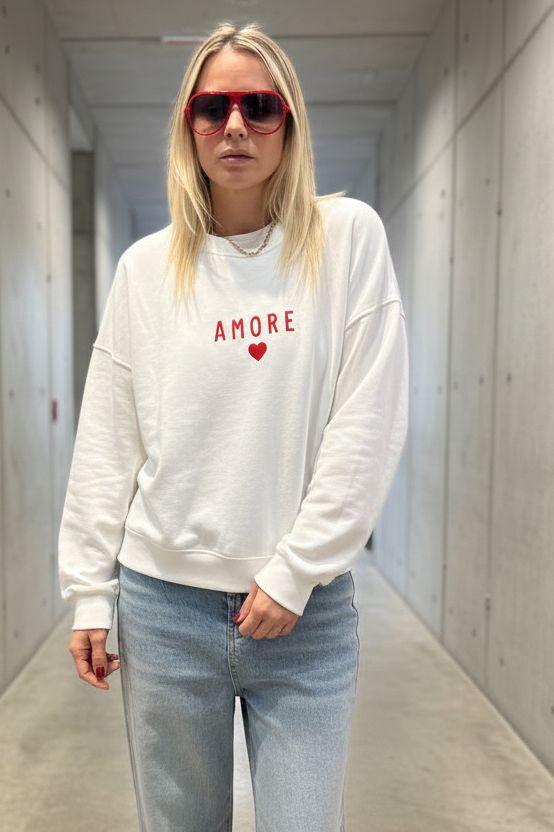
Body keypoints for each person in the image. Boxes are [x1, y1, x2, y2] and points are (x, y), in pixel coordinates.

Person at [58, 19, 409, 832]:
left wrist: (295, 572)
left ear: (290, 121)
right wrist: (89, 593)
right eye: (213, 109)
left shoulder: (347, 240)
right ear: (189, 127)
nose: (237, 126)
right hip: (164, 611)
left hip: (306, 616)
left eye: (261, 106)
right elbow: (109, 438)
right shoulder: (146, 270)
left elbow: (366, 421)